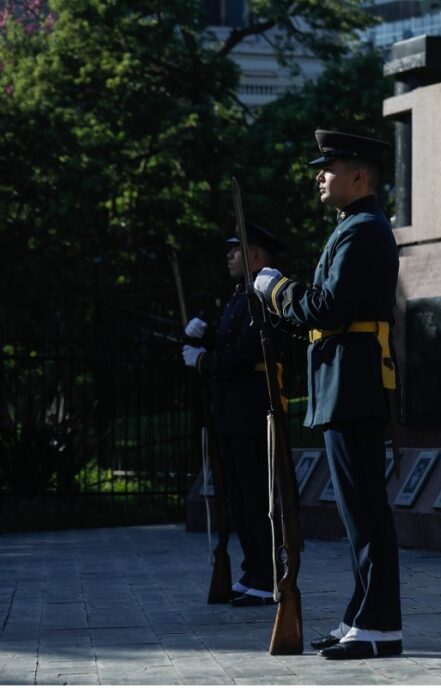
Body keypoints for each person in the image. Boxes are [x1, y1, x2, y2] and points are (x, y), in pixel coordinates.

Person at [253, 130, 402, 661]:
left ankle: (380, 624)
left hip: (354, 385)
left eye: (329, 167)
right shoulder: (352, 228)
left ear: (358, 176)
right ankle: (362, 615)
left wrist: (276, 289)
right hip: (344, 383)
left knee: (365, 512)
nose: (320, 175)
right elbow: (323, 316)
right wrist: (279, 307)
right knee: (357, 512)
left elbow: (329, 309)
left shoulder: (363, 230)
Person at [181, 222, 287, 607]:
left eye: (235, 249)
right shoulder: (241, 295)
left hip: (252, 411)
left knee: (256, 496)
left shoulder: (262, 295)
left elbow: (245, 354)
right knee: (240, 498)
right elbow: (229, 343)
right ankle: (253, 568)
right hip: (233, 411)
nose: (229, 255)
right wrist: (201, 337)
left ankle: (267, 574)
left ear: (255, 255)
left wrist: (204, 360)